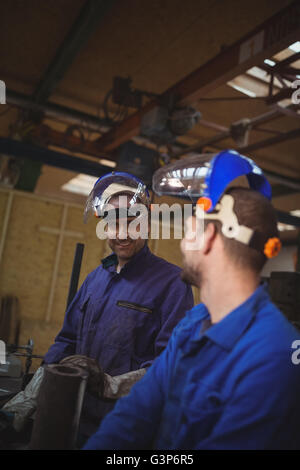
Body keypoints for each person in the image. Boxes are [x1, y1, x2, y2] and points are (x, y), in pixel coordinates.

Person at [83, 150, 300, 450]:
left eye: (192, 225)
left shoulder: (274, 356)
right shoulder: (193, 325)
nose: (185, 239)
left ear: (208, 238)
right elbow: (136, 414)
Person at [41, 172, 193, 443]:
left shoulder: (173, 284)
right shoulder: (95, 279)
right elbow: (67, 339)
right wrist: (42, 381)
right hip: (73, 417)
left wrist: (113, 386)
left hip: (128, 428)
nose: (122, 233)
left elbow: (170, 364)